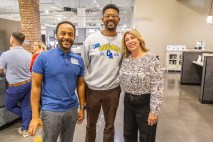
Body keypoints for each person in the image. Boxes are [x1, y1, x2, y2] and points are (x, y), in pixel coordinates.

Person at [28, 21, 85, 142]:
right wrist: (35, 116)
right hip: (50, 111)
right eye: (63, 33)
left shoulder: (78, 60)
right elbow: (36, 86)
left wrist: (82, 108)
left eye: (70, 34)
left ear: (74, 37)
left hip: (71, 110)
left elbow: (80, 84)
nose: (67, 37)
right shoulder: (43, 58)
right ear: (56, 35)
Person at [81, 4, 122, 142]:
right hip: (92, 91)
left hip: (113, 91)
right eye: (107, 16)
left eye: (114, 16)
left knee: (110, 126)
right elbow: (84, 64)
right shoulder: (91, 40)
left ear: (118, 19)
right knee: (90, 125)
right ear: (102, 19)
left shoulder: (123, 41)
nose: (111, 18)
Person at [119, 29, 164, 142]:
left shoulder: (151, 59)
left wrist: (154, 111)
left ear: (139, 39)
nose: (130, 41)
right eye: (127, 40)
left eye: (132, 38)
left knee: (147, 137)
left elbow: (157, 86)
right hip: (128, 102)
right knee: (128, 135)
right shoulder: (126, 60)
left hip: (145, 103)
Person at [0, 32, 32, 137]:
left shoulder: (6, 54)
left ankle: (29, 118)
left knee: (9, 106)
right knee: (26, 106)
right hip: (28, 83)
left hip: (16, 87)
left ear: (12, 40)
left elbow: (0, 71)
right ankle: (25, 129)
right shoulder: (29, 54)